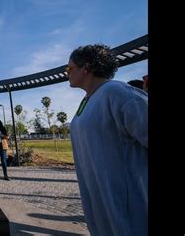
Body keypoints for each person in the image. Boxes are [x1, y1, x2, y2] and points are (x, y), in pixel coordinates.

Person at [66, 44, 148, 236]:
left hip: (129, 205)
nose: (66, 73)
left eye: (69, 68)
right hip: (99, 201)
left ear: (86, 67)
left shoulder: (118, 93)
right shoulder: (88, 99)